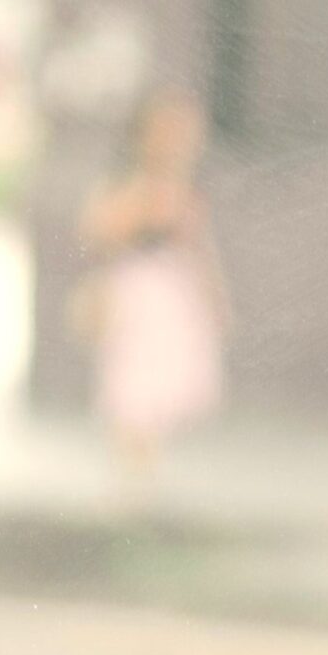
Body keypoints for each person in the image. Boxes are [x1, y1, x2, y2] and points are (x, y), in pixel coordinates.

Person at [76, 87, 228, 485]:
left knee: (164, 383)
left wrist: (214, 298)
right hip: (135, 293)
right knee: (133, 386)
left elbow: (199, 247)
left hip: (172, 294)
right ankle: (133, 472)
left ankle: (145, 472)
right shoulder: (128, 184)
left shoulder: (182, 186)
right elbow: (101, 231)